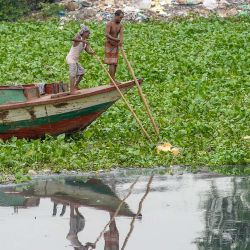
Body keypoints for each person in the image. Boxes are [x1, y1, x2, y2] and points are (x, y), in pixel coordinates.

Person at [66, 25, 94, 94]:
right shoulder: (79, 38)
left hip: (75, 60)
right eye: (88, 33)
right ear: (84, 33)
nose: (89, 34)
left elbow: (88, 51)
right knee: (73, 74)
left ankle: (75, 86)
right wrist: (82, 39)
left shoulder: (85, 43)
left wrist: (92, 53)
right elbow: (73, 39)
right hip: (71, 58)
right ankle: (72, 91)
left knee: (82, 72)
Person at [104, 10, 124, 84]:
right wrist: (115, 39)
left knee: (115, 63)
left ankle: (113, 80)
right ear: (116, 16)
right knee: (111, 63)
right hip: (109, 44)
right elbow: (107, 34)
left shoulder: (120, 25)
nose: (120, 19)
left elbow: (121, 34)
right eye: (120, 17)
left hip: (115, 45)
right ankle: (111, 81)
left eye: (122, 18)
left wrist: (121, 41)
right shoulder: (109, 24)